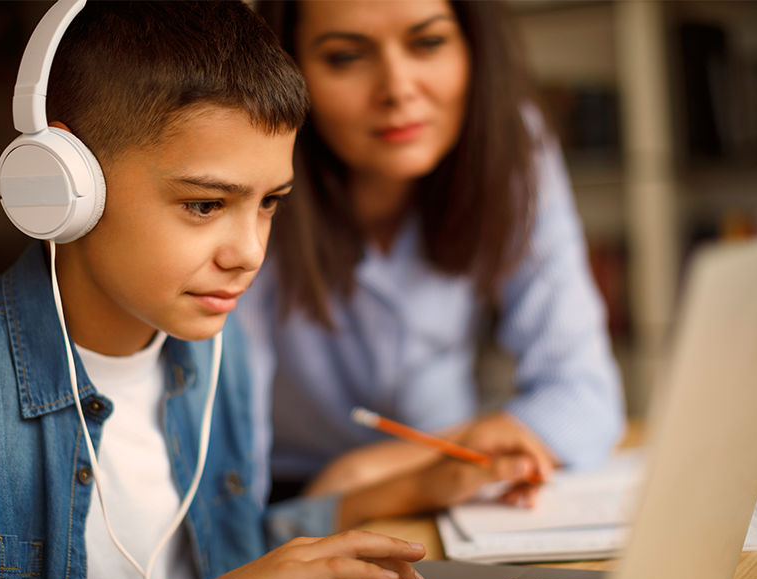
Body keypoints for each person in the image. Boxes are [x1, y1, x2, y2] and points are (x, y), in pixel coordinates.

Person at [0, 1, 429, 579]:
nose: (249, 254)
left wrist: (411, 490)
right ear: (63, 184)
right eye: (206, 205)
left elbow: (230, 551)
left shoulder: (219, 349)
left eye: (269, 203)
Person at [238, 0, 626, 524]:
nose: (398, 89)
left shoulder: (512, 143)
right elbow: (230, 490)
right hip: (284, 504)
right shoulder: (248, 172)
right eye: (346, 57)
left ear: (473, 47)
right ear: (288, 70)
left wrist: (374, 471)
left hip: (447, 485)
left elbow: (585, 396)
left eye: (428, 43)